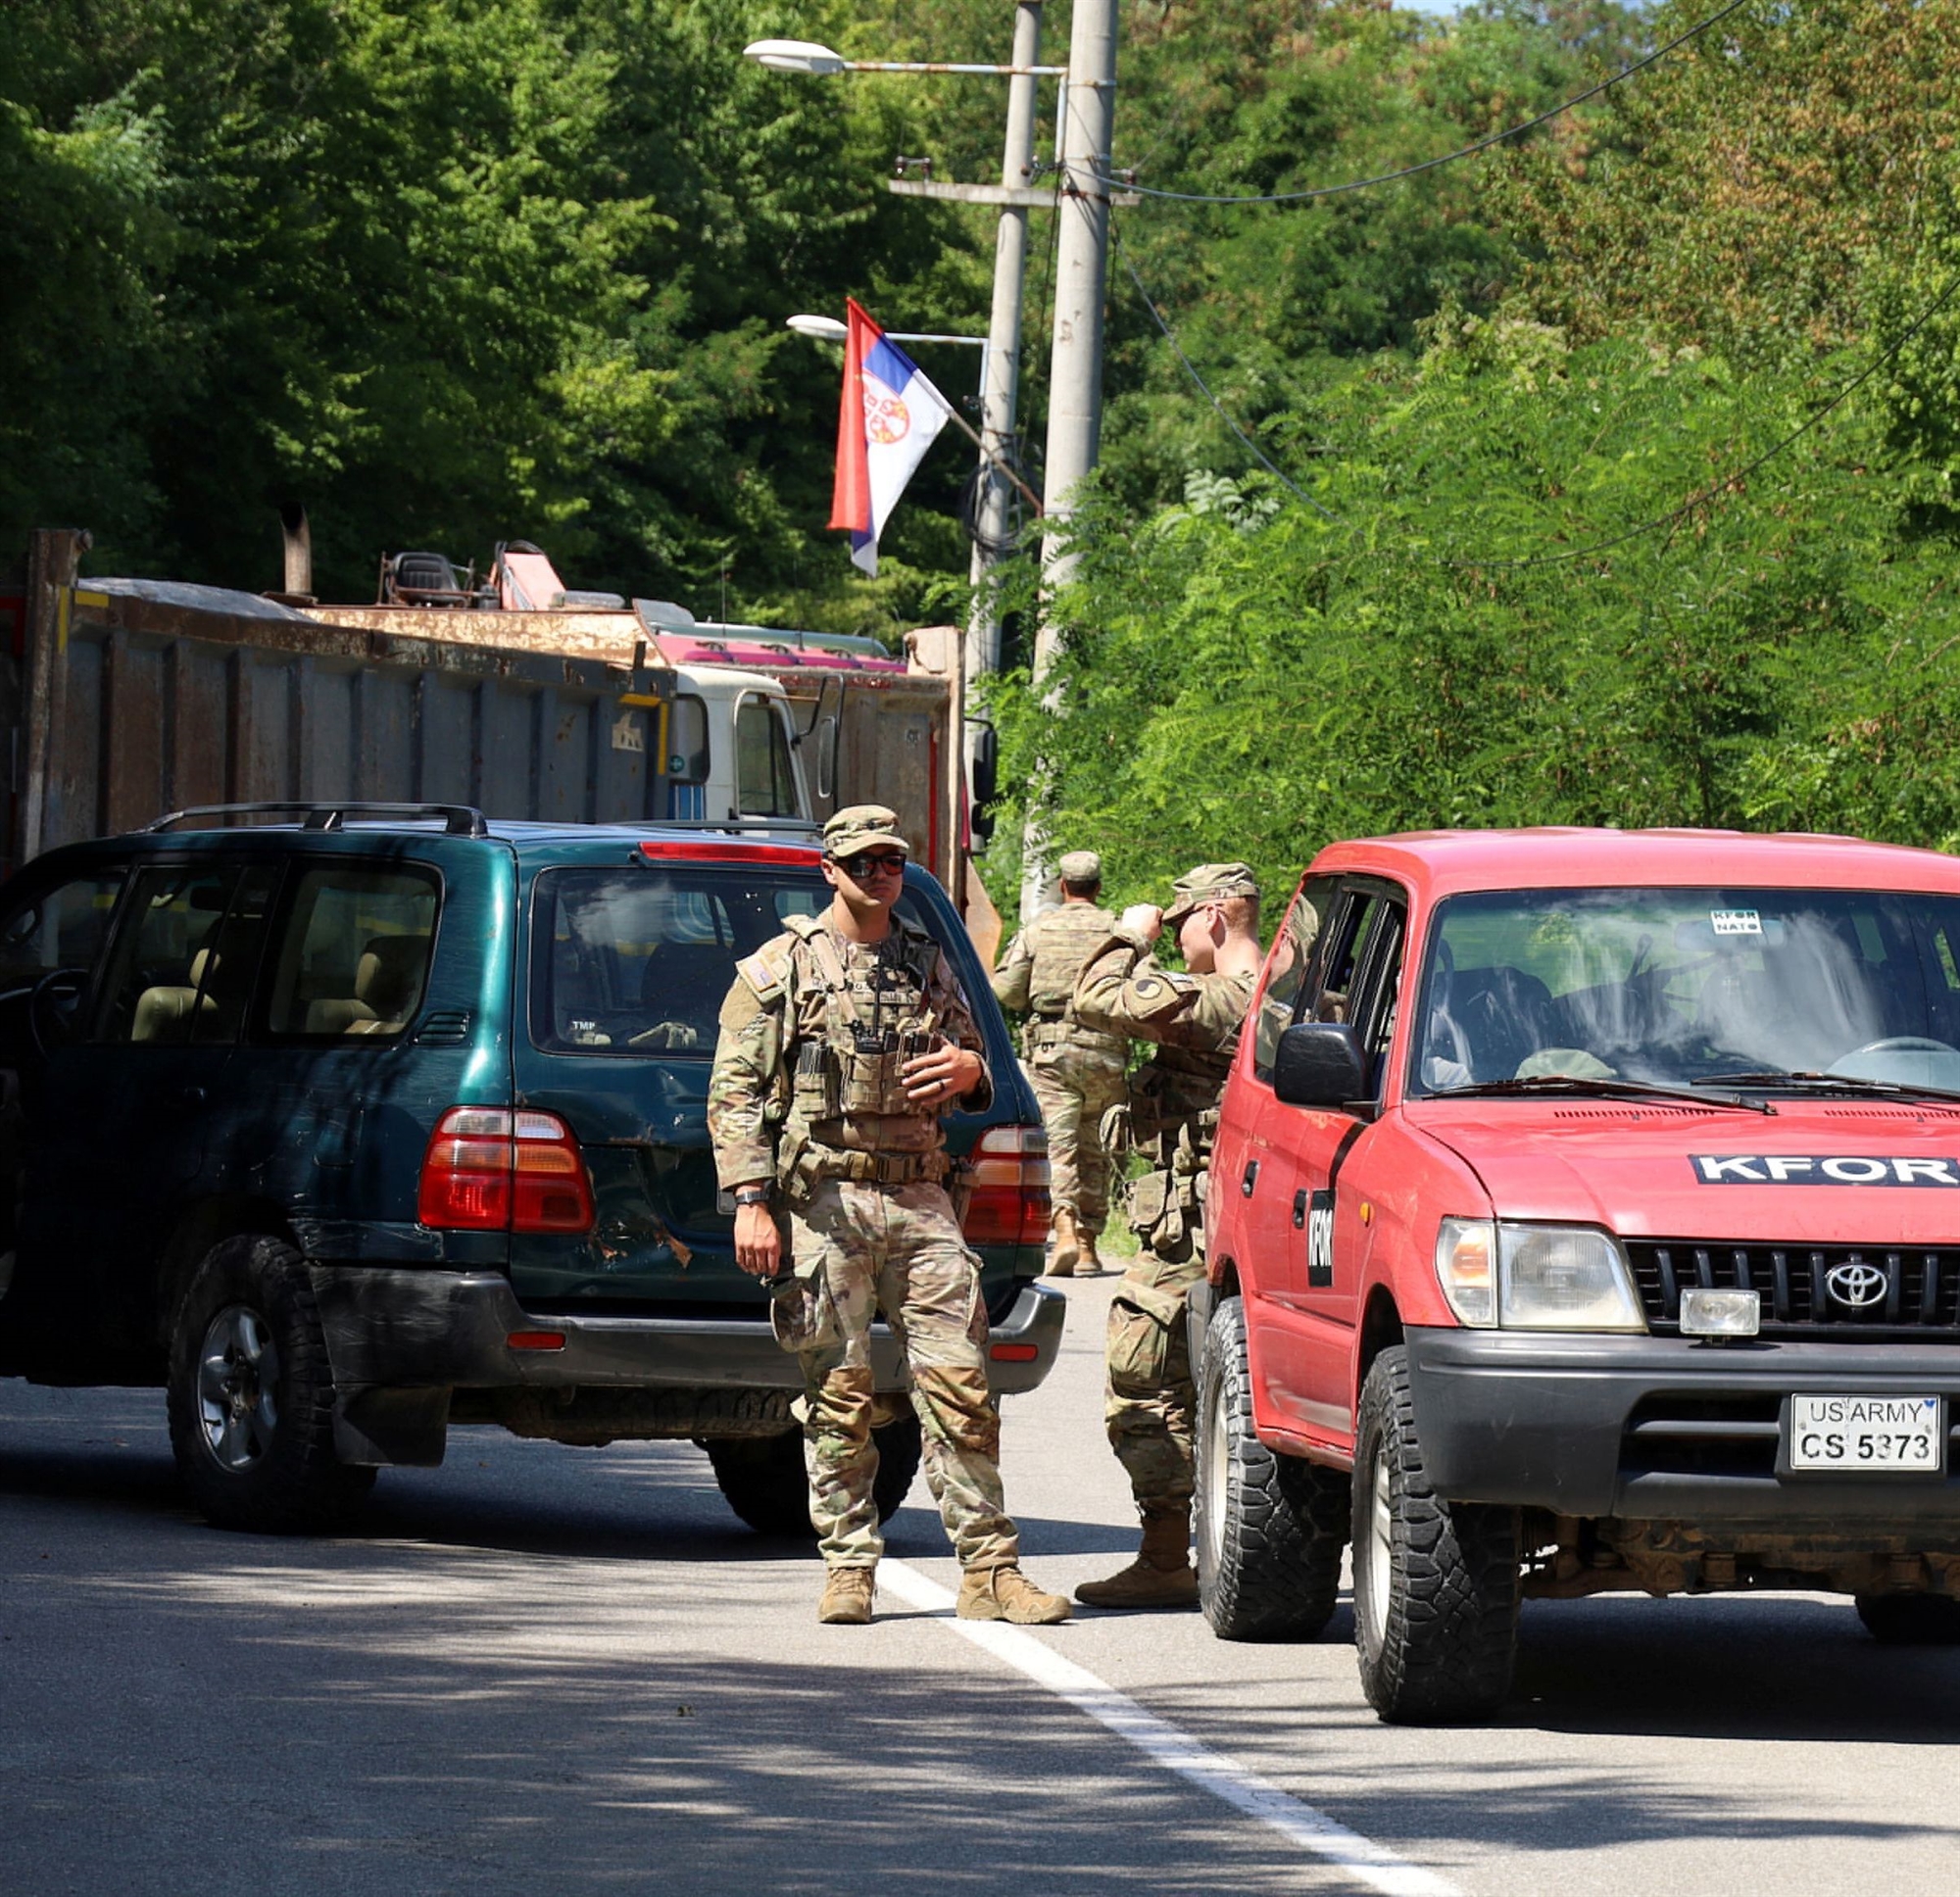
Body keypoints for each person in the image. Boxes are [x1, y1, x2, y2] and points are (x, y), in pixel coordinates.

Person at [707, 804, 1071, 1629]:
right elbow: (733, 1097)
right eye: (864, 862)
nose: (881, 874)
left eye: (893, 861)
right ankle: (847, 1565)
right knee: (839, 1395)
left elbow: (979, 1066)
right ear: (830, 870)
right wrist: (752, 1202)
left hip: (919, 1198)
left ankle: (989, 1570)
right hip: (825, 1204)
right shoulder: (780, 969)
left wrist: (969, 1068)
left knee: (963, 1385)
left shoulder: (925, 962)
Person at [1068, 862, 1264, 1610]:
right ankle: (1188, 1552)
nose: (1178, 935)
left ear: (1215, 916)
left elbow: (1094, 999)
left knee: (1145, 1382)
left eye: (1185, 920)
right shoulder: (1289, 990)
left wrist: (1129, 933)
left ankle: (1166, 1554)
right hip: (1218, 1230)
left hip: (1198, 1239)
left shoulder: (1229, 997)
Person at [990, 849, 1131, 1278]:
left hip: (1053, 1051)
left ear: (1063, 886)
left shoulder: (1039, 929)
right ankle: (1088, 1247)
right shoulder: (1119, 931)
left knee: (1058, 1146)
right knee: (1096, 1148)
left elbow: (1007, 991)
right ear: (1098, 887)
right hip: (1107, 1050)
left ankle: (1064, 1229)